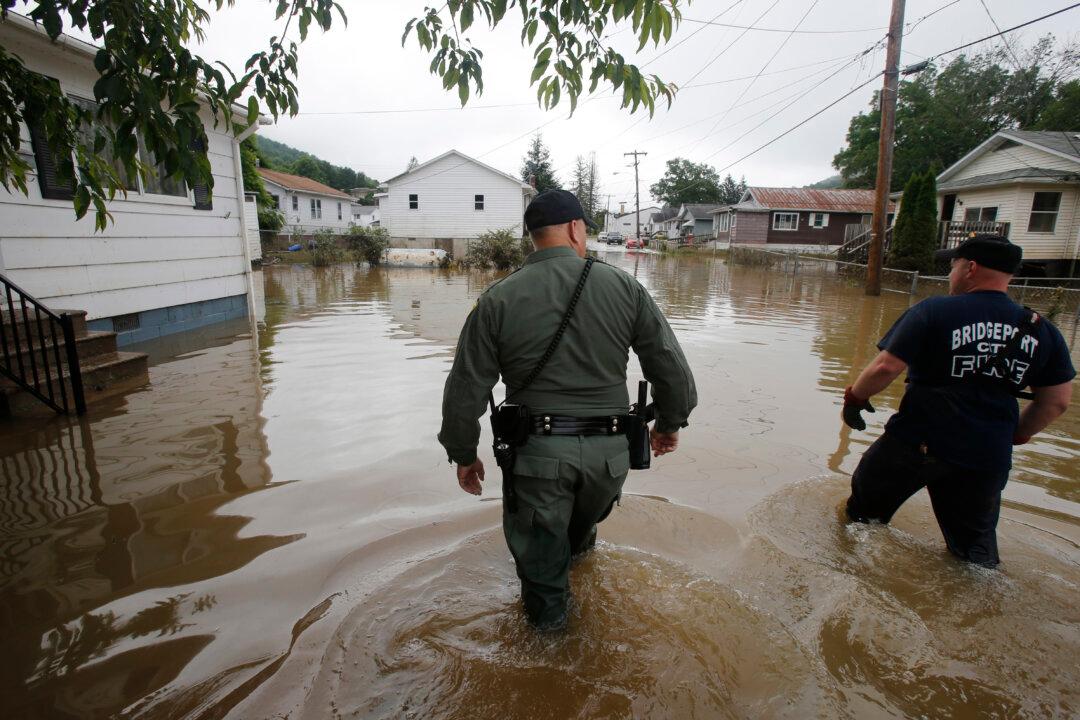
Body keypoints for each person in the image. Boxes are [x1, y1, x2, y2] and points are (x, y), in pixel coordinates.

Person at [438, 189, 697, 631]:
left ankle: (552, 662)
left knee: (543, 582)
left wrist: (463, 453)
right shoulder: (624, 287)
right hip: (611, 458)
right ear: (577, 228)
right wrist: (669, 423)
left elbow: (465, 390)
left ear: (533, 236)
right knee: (579, 542)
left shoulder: (498, 299)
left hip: (538, 459)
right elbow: (673, 372)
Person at [842, 235, 1074, 567]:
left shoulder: (934, 310)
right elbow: (1057, 402)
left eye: (953, 264)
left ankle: (850, 573)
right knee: (973, 555)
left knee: (860, 521)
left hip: (916, 444)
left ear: (970, 267)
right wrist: (1015, 435)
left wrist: (854, 397)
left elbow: (885, 367)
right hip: (987, 456)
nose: (951, 272)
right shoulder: (1042, 330)